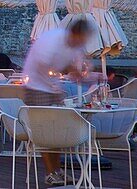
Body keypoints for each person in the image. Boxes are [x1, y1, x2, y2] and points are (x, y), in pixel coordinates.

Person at [21, 20, 98, 186]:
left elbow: (77, 71)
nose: (82, 43)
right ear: (75, 34)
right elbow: (43, 63)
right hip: (36, 87)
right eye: (82, 38)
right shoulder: (52, 39)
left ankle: (57, 171)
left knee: (58, 129)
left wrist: (90, 76)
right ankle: (50, 173)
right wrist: (68, 69)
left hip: (53, 88)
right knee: (45, 130)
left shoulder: (76, 47)